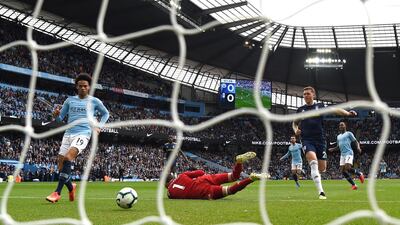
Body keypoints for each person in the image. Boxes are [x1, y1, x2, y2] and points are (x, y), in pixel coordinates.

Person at [46, 73, 110, 203]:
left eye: (85, 86)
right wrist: (56, 114)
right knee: (60, 166)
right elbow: (60, 119)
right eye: (80, 86)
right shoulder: (69, 100)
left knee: (68, 158)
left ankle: (57, 193)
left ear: (89, 87)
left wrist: (99, 127)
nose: (82, 88)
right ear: (76, 86)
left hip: (83, 133)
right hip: (68, 133)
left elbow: (106, 114)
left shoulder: (94, 101)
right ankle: (71, 187)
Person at [292, 86, 357, 199]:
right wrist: (295, 130)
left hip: (320, 140)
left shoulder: (320, 106)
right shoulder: (300, 110)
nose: (306, 96)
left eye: (308, 93)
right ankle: (321, 192)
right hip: (307, 140)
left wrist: (347, 114)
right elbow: (294, 123)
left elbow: (334, 109)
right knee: (313, 163)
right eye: (304, 94)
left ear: (313, 95)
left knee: (322, 168)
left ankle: (316, 175)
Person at [166, 152, 267, 200]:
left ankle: (251, 178)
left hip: (202, 190)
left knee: (230, 190)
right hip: (204, 179)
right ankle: (239, 162)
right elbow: (201, 172)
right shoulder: (182, 175)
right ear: (172, 176)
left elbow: (171, 194)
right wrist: (193, 172)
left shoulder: (169, 192)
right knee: (233, 176)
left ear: (166, 185)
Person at [328, 122, 364, 190]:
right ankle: (354, 185)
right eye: (339, 125)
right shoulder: (338, 136)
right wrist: (333, 149)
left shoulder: (349, 133)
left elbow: (356, 141)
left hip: (349, 152)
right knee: (342, 171)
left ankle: (359, 174)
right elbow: (338, 146)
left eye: (342, 125)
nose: (340, 126)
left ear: (345, 126)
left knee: (348, 167)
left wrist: (358, 147)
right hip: (342, 154)